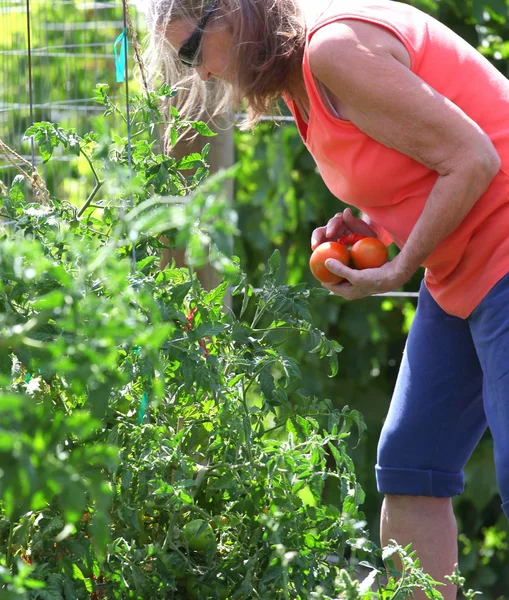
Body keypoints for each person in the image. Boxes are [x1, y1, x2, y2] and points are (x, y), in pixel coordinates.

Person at [145, 0, 509, 596]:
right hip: (459, 265)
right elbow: (411, 164)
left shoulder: (332, 49)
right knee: (412, 464)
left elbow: (475, 157)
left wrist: (398, 268)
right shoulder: (299, 79)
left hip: (501, 251)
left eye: (192, 52)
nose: (201, 75)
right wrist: (371, 226)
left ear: (234, 13)